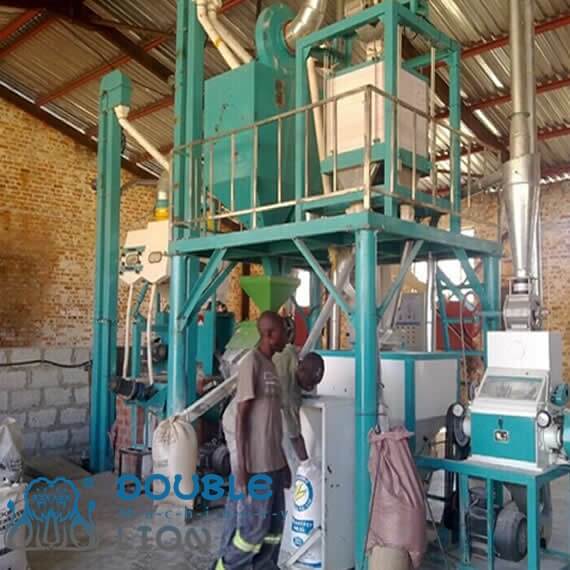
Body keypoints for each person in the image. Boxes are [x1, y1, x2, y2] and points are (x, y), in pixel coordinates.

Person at [215, 311, 290, 570]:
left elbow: (271, 422)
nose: (287, 337)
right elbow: (242, 416)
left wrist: (283, 462)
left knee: (275, 526)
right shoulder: (252, 363)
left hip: (273, 463)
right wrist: (242, 465)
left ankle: (265, 567)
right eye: (283, 332)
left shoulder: (271, 366)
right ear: (269, 334)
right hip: (257, 465)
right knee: (254, 530)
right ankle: (226, 567)